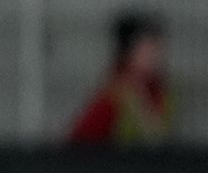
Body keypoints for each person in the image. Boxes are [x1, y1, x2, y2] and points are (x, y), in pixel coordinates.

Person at [69, 10, 173, 145]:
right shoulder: (112, 96)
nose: (156, 56)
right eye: (149, 49)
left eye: (157, 48)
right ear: (128, 51)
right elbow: (78, 144)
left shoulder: (161, 92)